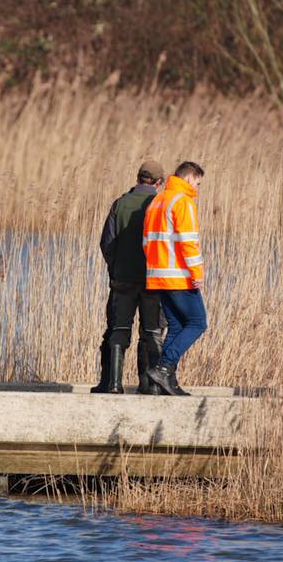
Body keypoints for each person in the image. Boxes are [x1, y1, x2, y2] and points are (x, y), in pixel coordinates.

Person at [92, 160, 166, 395]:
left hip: (122, 279)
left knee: (119, 327)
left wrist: (116, 268)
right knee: (152, 331)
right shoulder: (161, 205)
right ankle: (149, 385)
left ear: (137, 178)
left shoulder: (119, 203)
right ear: (159, 182)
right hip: (153, 280)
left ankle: (113, 384)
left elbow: (107, 243)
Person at [142, 161, 207, 397]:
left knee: (178, 326)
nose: (197, 188)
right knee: (198, 323)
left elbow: (146, 242)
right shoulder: (182, 201)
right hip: (178, 275)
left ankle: (166, 381)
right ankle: (163, 367)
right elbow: (188, 242)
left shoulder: (157, 201)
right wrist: (197, 273)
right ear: (189, 178)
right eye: (197, 182)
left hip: (157, 274)